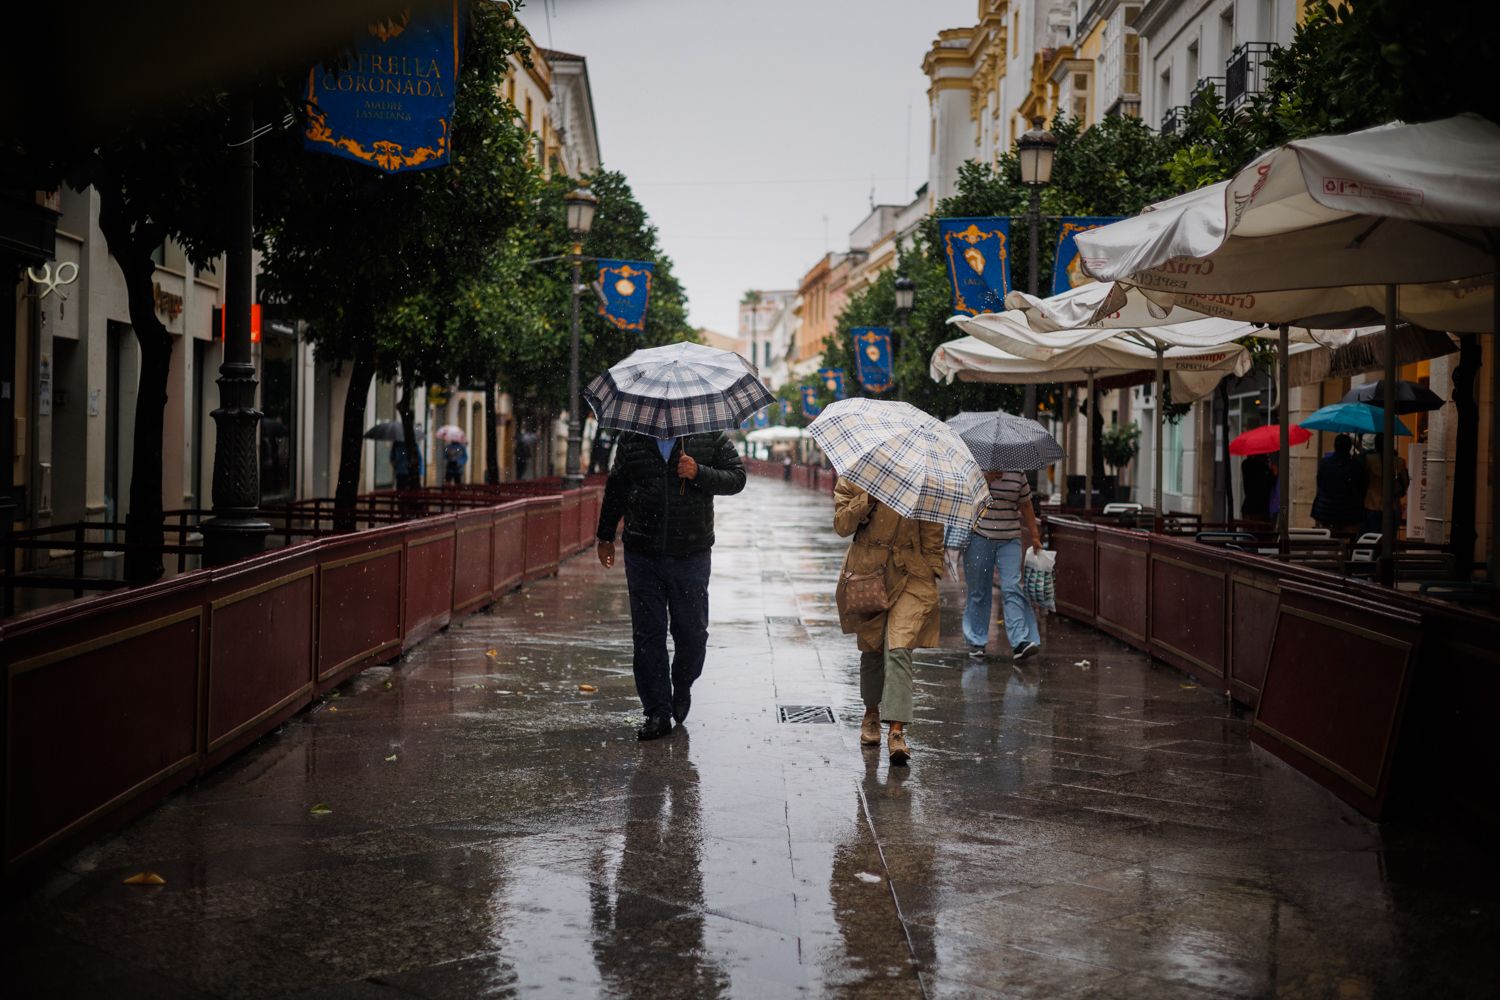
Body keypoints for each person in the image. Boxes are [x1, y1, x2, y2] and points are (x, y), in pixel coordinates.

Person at [596, 430, 746, 741]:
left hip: (691, 553)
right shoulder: (632, 437)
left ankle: (683, 681)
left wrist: (698, 472)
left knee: (692, 632)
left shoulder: (710, 435)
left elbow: (737, 477)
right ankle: (656, 711)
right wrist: (605, 534)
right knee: (648, 633)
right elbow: (617, 486)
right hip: (642, 552)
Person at [833, 480, 944, 766]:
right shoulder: (853, 475)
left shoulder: (923, 477)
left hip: (911, 573)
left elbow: (932, 529)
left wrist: (933, 567)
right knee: (872, 648)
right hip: (867, 573)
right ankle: (871, 713)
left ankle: (897, 730)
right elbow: (842, 525)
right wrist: (867, 498)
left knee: (899, 647)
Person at [952, 470, 1044, 663]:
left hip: (1009, 538)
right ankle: (977, 642)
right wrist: (984, 479)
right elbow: (962, 498)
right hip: (979, 537)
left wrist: (1035, 536)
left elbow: (1026, 504)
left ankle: (1020, 641)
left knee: (1012, 587)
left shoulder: (1018, 471)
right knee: (979, 590)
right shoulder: (975, 468)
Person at [1311, 433, 1366, 532]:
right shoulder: (1355, 466)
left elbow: (1320, 483)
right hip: (1350, 513)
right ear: (1349, 447)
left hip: (1325, 511)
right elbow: (1362, 488)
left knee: (1329, 542)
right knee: (1348, 541)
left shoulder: (1325, 463)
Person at [1362, 433, 1410, 535]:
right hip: (1393, 505)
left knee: (1373, 538)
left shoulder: (1368, 460)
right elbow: (1405, 482)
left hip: (1372, 505)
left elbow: (1362, 481)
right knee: (1390, 538)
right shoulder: (1399, 461)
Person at [1241, 451, 1272, 521]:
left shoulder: (1245, 464)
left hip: (1249, 507)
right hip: (1260, 509)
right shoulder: (1262, 467)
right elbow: (1267, 485)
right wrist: (1273, 474)